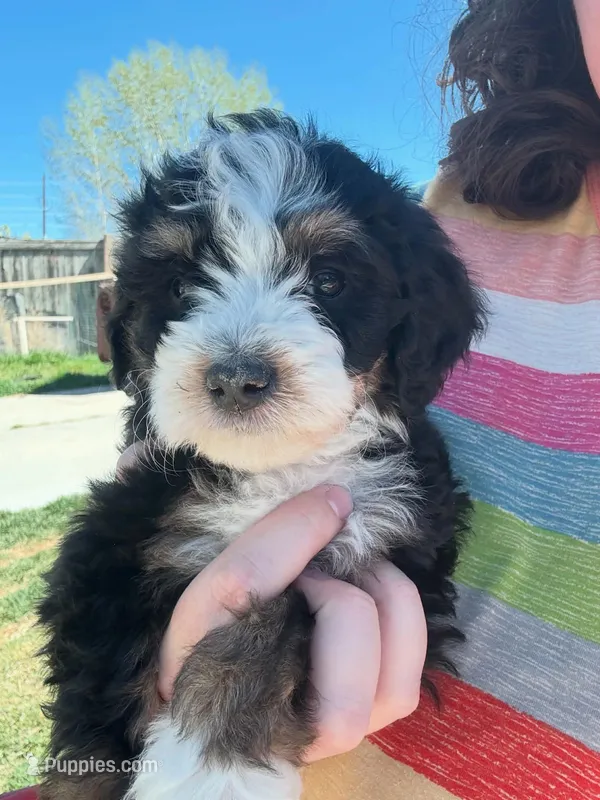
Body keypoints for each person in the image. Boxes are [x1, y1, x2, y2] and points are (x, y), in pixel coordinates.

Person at [119, 1, 600, 797]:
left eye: (327, 282)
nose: (239, 366)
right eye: (181, 285)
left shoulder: (412, 275)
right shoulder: (469, 201)